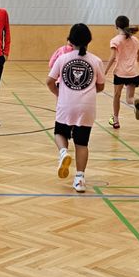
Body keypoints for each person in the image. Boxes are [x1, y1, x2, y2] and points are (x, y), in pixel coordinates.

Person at [47, 24, 104, 193]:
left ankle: (63, 152)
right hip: (87, 108)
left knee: (59, 132)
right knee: (82, 143)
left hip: (66, 105)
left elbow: (49, 81)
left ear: (70, 41)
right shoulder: (96, 60)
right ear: (89, 40)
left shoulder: (63, 59)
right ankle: (79, 179)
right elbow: (100, 86)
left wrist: (59, 93)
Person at [105, 15, 139, 128]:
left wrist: (104, 71)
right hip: (134, 72)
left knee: (117, 96)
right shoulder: (135, 40)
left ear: (116, 26)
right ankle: (135, 100)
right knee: (129, 98)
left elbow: (112, 57)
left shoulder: (115, 40)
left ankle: (115, 120)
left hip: (120, 72)